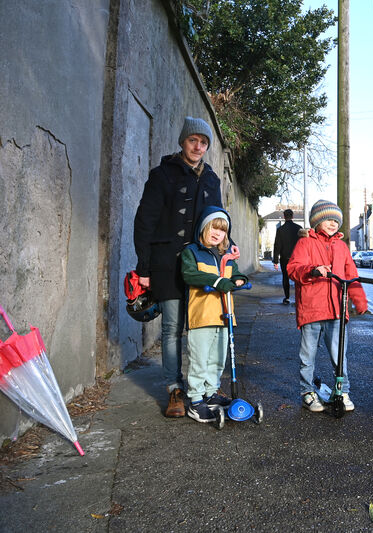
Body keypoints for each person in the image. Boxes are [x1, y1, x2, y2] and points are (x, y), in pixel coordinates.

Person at [133, 116, 236, 418]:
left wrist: (229, 245)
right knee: (172, 329)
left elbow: (218, 218)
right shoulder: (162, 174)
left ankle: (205, 387)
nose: (198, 146)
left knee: (205, 329)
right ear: (183, 142)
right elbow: (145, 222)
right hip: (166, 264)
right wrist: (144, 268)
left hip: (202, 265)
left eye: (203, 142)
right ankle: (174, 389)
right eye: (193, 140)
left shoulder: (212, 179)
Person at [287, 199, 368, 413]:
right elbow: (293, 268)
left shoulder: (341, 247)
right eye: (328, 219)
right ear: (317, 221)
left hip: (336, 310)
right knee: (308, 355)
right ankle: (307, 391)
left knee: (339, 353)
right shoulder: (305, 243)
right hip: (312, 309)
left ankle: (343, 389)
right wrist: (312, 270)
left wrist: (359, 300)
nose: (333, 223)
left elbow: (351, 275)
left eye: (336, 220)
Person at [180, 207, 248, 423]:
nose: (217, 233)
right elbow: (190, 275)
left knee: (218, 359)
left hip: (224, 315)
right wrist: (217, 282)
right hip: (202, 315)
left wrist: (240, 280)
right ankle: (196, 400)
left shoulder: (225, 255)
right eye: (214, 228)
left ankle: (210, 393)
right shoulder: (192, 252)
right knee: (200, 359)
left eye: (222, 230)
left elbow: (235, 273)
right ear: (204, 228)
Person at [272, 208, 302, 305]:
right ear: (292, 216)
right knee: (298, 277)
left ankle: (287, 297)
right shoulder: (299, 228)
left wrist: (275, 261)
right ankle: (299, 297)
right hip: (297, 257)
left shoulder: (280, 230)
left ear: (284, 217)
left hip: (285, 258)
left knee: (285, 277)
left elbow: (277, 245)